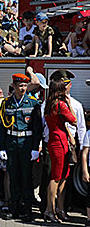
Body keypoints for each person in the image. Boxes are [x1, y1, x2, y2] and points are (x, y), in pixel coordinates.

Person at [0, 73, 42, 222]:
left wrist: (35, 147)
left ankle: (27, 210)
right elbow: (2, 127)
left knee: (26, 178)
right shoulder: (6, 103)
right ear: (14, 86)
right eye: (20, 85)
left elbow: (37, 128)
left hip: (27, 143)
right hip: (11, 142)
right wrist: (2, 147)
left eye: (24, 85)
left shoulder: (33, 103)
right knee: (13, 177)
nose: (22, 88)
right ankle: (14, 209)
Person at [43, 80, 77, 223]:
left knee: (62, 175)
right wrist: (68, 104)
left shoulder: (49, 104)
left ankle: (58, 208)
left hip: (55, 140)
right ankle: (50, 210)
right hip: (59, 142)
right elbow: (74, 119)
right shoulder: (61, 105)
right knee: (57, 177)